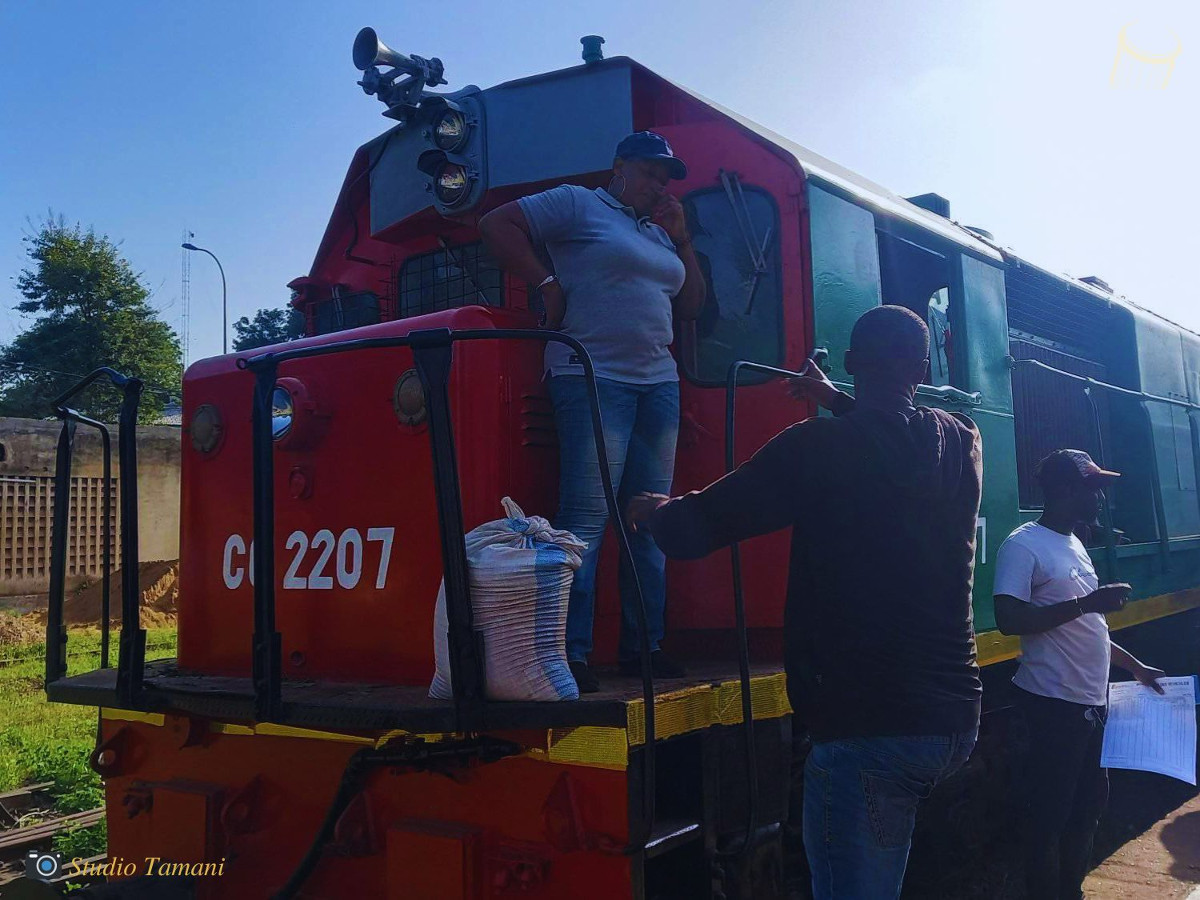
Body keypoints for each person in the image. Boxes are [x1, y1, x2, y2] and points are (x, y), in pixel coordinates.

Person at [627, 305, 982, 899]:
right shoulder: (959, 440)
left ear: (849, 364)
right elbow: (890, 442)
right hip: (952, 718)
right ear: (921, 368)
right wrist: (837, 399)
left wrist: (654, 512)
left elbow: (699, 527)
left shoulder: (817, 449)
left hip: (870, 723)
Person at [479, 131, 706, 692]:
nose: (658, 184)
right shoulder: (579, 203)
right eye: (650, 172)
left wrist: (682, 242)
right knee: (586, 519)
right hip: (592, 376)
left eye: (665, 177)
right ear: (620, 167)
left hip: (659, 384)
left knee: (651, 519)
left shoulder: (658, 233)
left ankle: (644, 648)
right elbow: (496, 224)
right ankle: (570, 652)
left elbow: (693, 305)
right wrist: (547, 284)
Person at [993, 449, 1165, 900]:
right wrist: (1089, 603)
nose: (1102, 496)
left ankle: (1070, 891)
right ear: (1066, 490)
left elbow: (1088, 628)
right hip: (1053, 705)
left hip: (1089, 704)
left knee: (1088, 808)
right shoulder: (1023, 544)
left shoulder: (1074, 544)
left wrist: (1137, 668)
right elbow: (1009, 618)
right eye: (1094, 487)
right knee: (1050, 814)